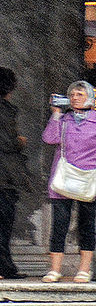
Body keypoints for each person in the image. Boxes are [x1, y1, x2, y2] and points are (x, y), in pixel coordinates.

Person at [41, 80, 96, 283]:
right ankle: (55, 269)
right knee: (59, 225)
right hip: (63, 179)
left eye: (80, 95)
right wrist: (55, 114)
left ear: (90, 98)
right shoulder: (64, 120)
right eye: (72, 95)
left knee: (87, 225)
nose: (75, 98)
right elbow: (49, 138)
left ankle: (84, 269)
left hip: (88, 179)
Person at [0, 66, 31, 279]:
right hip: (4, 173)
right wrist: (19, 142)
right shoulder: (1, 110)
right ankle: (3, 265)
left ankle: (2, 264)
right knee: (4, 222)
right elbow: (6, 142)